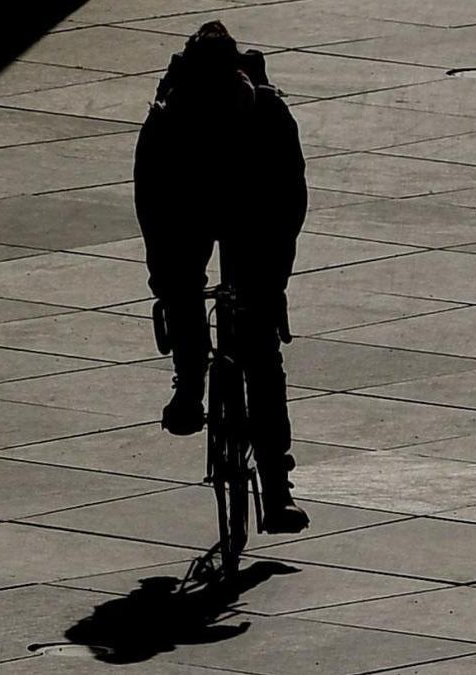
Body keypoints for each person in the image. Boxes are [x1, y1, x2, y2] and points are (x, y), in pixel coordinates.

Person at [133, 21, 310, 533]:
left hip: (251, 215)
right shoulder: (167, 121)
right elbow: (153, 205)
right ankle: (190, 386)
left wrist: (274, 275)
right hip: (188, 211)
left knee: (258, 345)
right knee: (183, 291)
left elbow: (289, 197)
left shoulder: (268, 113)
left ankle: (274, 485)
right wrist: (165, 277)